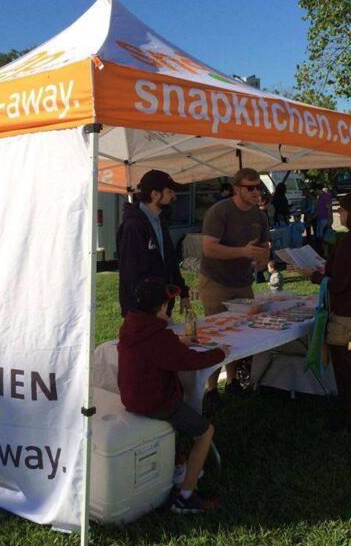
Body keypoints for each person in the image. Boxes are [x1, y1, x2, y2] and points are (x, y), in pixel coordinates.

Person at [117, 278, 229, 514]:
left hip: (131, 397)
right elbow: (191, 361)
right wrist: (221, 353)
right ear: (162, 307)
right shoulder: (160, 337)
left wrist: (179, 341)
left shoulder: (131, 327)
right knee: (205, 432)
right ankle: (186, 495)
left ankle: (178, 461)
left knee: (183, 407)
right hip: (156, 402)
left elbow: (158, 349)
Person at [299, 192, 351, 431]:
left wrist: (314, 275)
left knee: (347, 366)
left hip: (346, 313)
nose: (338, 213)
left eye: (342, 210)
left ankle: (350, 416)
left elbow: (338, 284)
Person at [200, 168, 270, 410]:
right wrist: (243, 252)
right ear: (236, 188)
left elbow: (264, 248)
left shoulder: (260, 216)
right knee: (216, 334)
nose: (256, 192)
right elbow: (209, 248)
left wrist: (261, 260)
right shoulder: (219, 211)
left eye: (258, 187)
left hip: (242, 281)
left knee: (240, 333)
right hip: (216, 281)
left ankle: (232, 381)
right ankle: (210, 389)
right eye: (250, 187)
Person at [117, 170, 191, 317]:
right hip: (143, 309)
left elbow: (170, 261)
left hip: (160, 305)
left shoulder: (159, 220)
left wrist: (183, 292)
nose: (174, 196)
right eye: (169, 192)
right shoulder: (133, 226)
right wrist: (150, 308)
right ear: (155, 194)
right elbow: (131, 272)